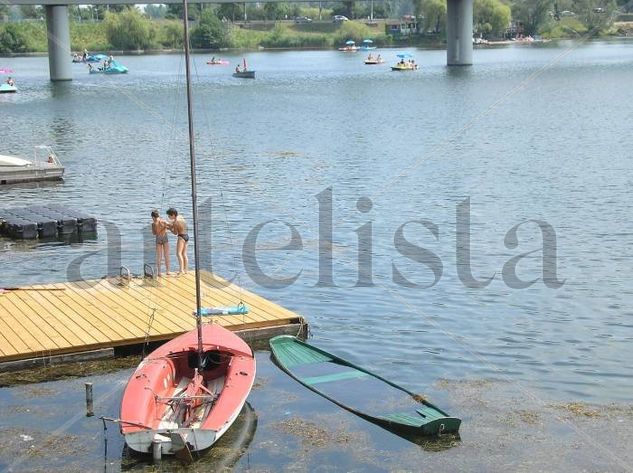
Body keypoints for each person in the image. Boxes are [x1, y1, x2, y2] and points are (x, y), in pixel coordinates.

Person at [166, 207, 189, 275]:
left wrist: (169, 229)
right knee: (184, 254)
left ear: (173, 215)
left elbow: (175, 233)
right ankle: (186, 270)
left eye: (169, 216)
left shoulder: (175, 222)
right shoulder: (180, 217)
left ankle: (181, 270)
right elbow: (176, 224)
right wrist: (170, 225)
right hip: (186, 236)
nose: (168, 217)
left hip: (181, 237)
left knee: (178, 253)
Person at [151, 210, 171, 277]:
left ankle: (159, 272)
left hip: (158, 239)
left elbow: (154, 233)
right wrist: (165, 227)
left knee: (159, 256)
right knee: (166, 255)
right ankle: (167, 271)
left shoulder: (153, 224)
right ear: (158, 215)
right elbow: (171, 225)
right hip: (164, 237)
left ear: (153, 217)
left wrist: (159, 229)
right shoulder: (163, 221)